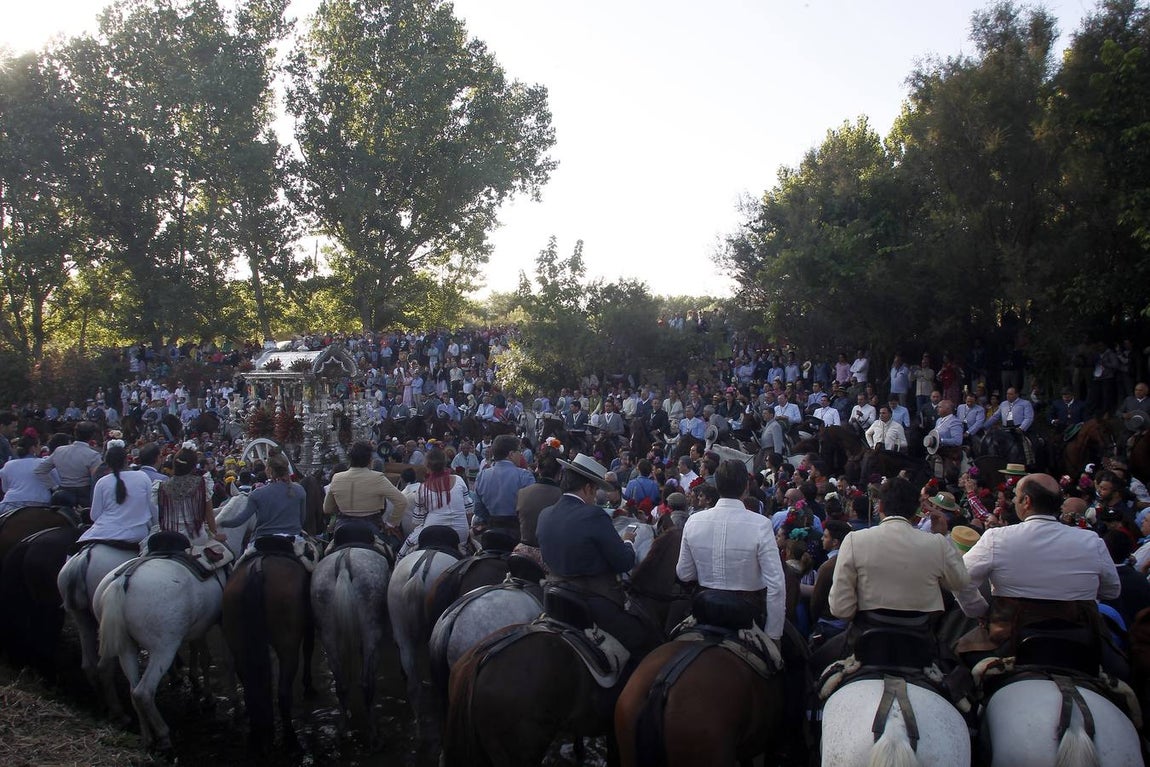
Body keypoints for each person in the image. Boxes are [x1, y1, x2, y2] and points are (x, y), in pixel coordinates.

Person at [954, 473, 1121, 667]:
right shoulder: (1091, 540)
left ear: (1026, 501)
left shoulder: (996, 538)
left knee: (958, 664)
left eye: (1016, 496)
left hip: (1009, 639)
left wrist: (980, 611)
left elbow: (959, 580)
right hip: (1081, 636)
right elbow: (1112, 590)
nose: (1014, 500)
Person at [816, 476, 969, 670]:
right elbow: (961, 582)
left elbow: (840, 609)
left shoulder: (855, 540)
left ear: (880, 507)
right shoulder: (937, 543)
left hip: (865, 642)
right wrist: (944, 536)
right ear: (916, 512)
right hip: (920, 643)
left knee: (815, 666)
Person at [536, 453, 654, 656]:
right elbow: (624, 562)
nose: (595, 495)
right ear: (588, 488)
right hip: (591, 602)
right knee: (643, 640)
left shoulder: (545, 513)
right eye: (596, 489)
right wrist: (627, 541)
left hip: (553, 596)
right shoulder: (593, 514)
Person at [677, 459, 787, 641]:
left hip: (704, 610)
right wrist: (773, 635)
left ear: (717, 485)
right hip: (746, 615)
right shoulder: (761, 524)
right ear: (746, 486)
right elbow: (776, 584)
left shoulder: (694, 521)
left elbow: (684, 573)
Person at [77, 443, 156, 545]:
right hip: (138, 533)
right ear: (126, 459)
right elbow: (153, 508)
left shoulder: (102, 482)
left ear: (107, 463)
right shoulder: (143, 477)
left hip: (105, 532)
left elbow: (94, 516)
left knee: (74, 551)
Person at [397, 447, 472, 556]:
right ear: (445, 462)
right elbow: (469, 511)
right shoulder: (459, 480)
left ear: (427, 466)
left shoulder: (422, 488)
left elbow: (418, 521)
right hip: (461, 534)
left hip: (431, 533)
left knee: (402, 555)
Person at [323, 440, 409, 534]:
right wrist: (391, 524)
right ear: (369, 460)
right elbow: (401, 501)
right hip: (371, 526)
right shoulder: (377, 477)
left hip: (342, 527)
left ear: (350, 459)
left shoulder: (337, 477)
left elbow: (327, 509)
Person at [220, 452, 305, 544]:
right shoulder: (300, 490)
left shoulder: (257, 494)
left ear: (269, 470)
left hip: (264, 540)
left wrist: (220, 523)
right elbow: (302, 519)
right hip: (293, 539)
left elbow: (240, 520)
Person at [155, 446, 225, 545]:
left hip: (169, 537)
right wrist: (214, 534)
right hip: (195, 537)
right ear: (193, 466)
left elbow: (160, 514)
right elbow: (209, 514)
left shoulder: (161, 486)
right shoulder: (202, 483)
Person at [473, 434, 535, 532]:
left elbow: (478, 509)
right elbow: (531, 509)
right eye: (519, 451)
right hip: (517, 532)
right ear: (511, 454)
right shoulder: (525, 476)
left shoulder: (482, 476)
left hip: (492, 531)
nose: (521, 454)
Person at [35, 421, 103, 507]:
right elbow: (97, 478)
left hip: (63, 491)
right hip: (84, 494)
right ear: (92, 435)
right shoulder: (93, 455)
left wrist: (54, 487)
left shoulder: (59, 450)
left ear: (75, 433)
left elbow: (40, 470)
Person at [514, 453, 564, 571]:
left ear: (538, 470)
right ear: (559, 474)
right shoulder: (563, 497)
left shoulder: (522, 492)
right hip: (550, 556)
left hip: (522, 552)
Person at [0, 434, 52, 514]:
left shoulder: (8, 465)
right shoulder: (44, 463)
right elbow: (55, 484)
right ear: (33, 448)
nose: (40, 447)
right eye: (38, 445)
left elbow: (5, 488)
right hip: (41, 502)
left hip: (12, 502)